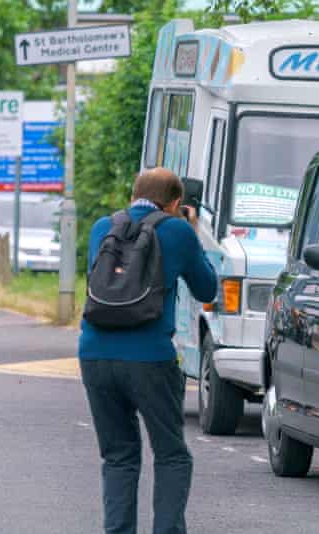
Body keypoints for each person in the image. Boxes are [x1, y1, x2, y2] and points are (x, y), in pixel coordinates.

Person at [78, 168, 218, 534]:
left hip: (94, 352)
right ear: (175, 203)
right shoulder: (177, 230)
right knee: (171, 454)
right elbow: (207, 289)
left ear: (132, 195)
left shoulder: (101, 227)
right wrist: (193, 231)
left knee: (119, 455)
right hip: (150, 358)